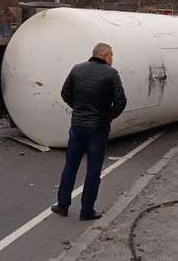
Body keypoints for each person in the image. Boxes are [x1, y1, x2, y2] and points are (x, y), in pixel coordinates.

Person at [51, 42, 127, 221]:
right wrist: (108, 116)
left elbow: (65, 93)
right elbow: (121, 101)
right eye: (111, 56)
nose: (112, 59)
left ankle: (62, 205)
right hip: (98, 129)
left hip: (77, 126)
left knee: (70, 166)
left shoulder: (77, 69)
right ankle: (86, 211)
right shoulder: (111, 74)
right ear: (105, 55)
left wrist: (77, 108)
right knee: (93, 170)